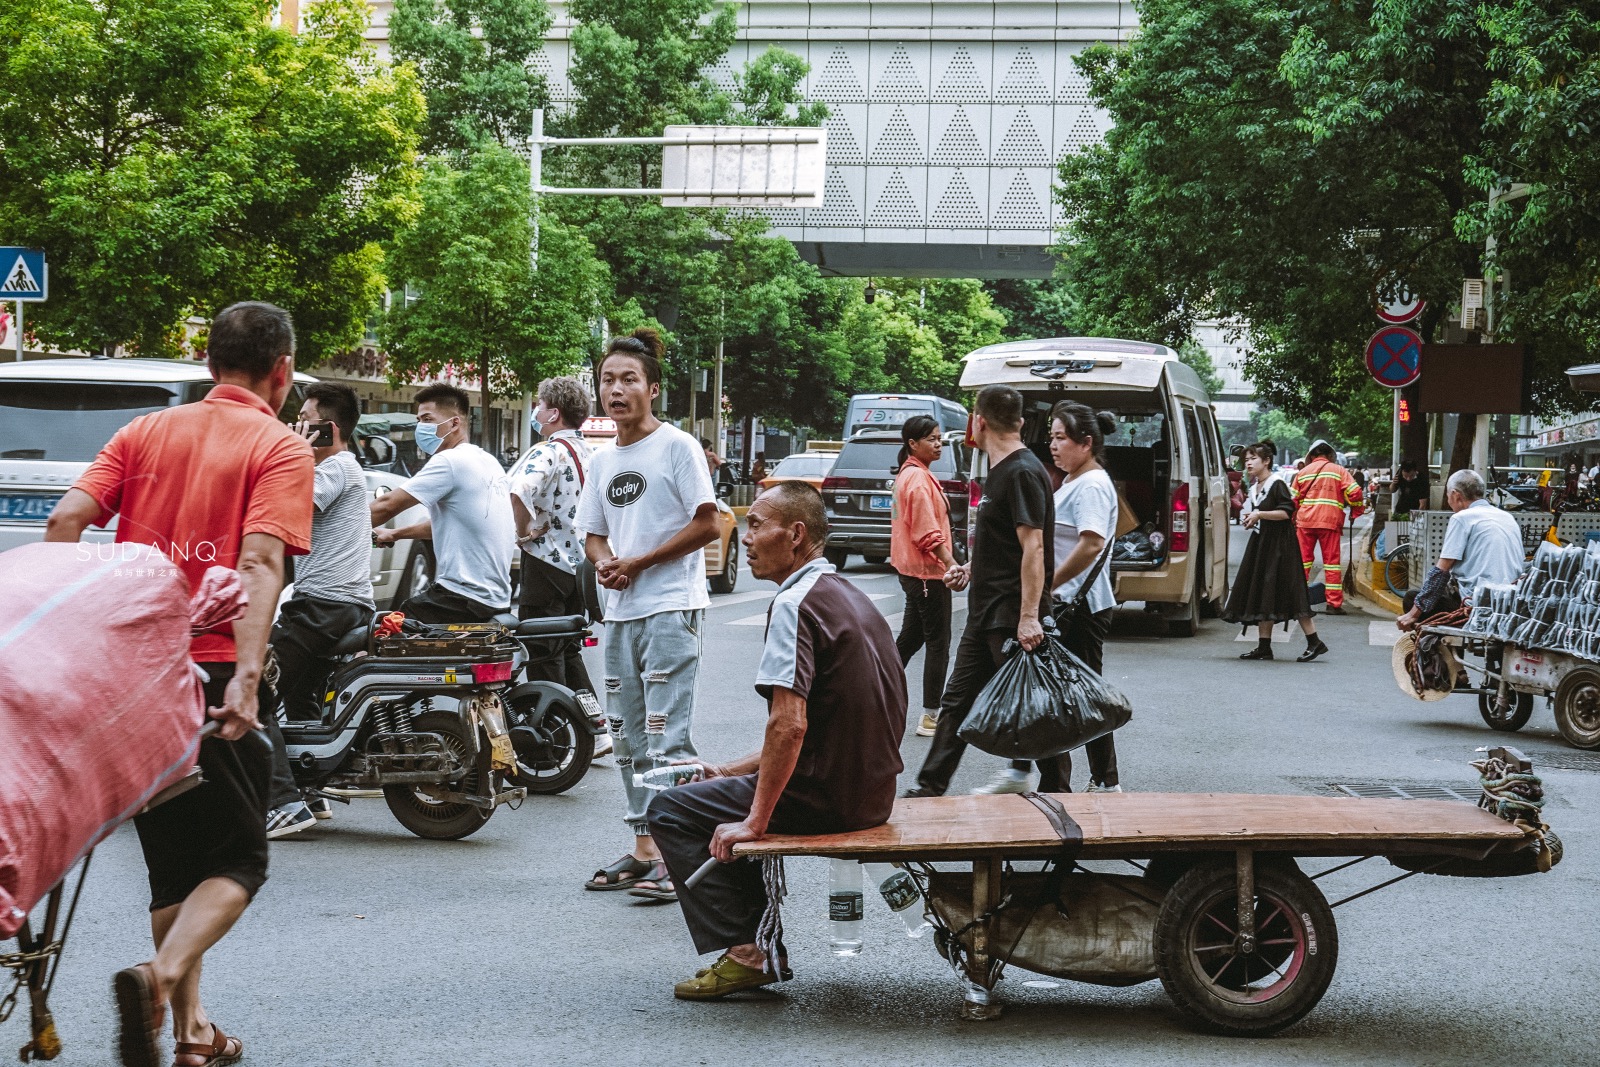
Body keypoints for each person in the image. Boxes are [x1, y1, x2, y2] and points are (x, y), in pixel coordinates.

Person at [45, 301, 314, 1067]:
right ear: (282, 371)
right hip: (216, 664)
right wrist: (248, 683)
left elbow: (66, 524)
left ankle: (194, 1033)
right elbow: (260, 564)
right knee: (240, 860)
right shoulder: (279, 445)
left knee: (174, 863)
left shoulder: (143, 433)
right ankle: (157, 977)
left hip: (141, 673)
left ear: (208, 362)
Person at [649, 482, 906, 999]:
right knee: (712, 795)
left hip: (827, 797)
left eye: (758, 524)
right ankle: (756, 943)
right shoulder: (849, 594)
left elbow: (789, 725)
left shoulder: (793, 604)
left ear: (796, 534)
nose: (745, 538)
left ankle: (748, 953)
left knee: (671, 812)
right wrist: (727, 773)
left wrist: (755, 820)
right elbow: (813, 729)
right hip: (871, 792)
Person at [577, 329, 721, 901]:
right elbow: (592, 534)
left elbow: (707, 523)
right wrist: (609, 563)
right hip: (621, 612)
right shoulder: (603, 458)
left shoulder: (677, 447)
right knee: (628, 737)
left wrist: (639, 562)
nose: (616, 389)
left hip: (671, 609)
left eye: (628, 379)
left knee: (666, 740)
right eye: (608, 380)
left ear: (652, 389)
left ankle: (679, 855)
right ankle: (645, 849)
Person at [904, 384, 1053, 798]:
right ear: (1020, 422)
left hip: (1008, 614)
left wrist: (1028, 616)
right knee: (956, 702)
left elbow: (1033, 547)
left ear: (978, 422)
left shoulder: (1021, 471)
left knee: (1029, 709)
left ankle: (1059, 790)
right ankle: (929, 788)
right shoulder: (1000, 470)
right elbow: (1006, 544)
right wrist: (970, 568)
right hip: (984, 611)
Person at [264, 382, 375, 833]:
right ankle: (309, 791)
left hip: (321, 607)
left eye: (306, 420)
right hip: (340, 606)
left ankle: (282, 803)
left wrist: (290, 450)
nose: (298, 426)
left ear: (328, 428)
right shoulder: (338, 469)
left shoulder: (337, 469)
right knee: (299, 695)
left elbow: (287, 503)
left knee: (251, 693)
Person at [370, 384, 514, 623]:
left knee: (380, 635)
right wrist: (395, 533)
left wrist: (337, 529)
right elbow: (450, 522)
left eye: (427, 419)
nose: (420, 428)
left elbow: (386, 505)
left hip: (460, 598)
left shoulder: (449, 461)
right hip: (496, 599)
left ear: (454, 423)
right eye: (418, 421)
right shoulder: (488, 462)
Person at [1042, 401, 1122, 792]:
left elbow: (1091, 543)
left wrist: (1050, 583)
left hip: (1080, 606)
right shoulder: (1076, 479)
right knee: (1075, 695)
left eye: (1061, 438)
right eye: (1051, 437)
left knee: (1085, 697)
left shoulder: (1090, 484)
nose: (1053, 446)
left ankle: (1106, 781)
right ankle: (1095, 780)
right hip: (1072, 604)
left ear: (1086, 442)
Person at [510, 376, 597, 699]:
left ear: (554, 413)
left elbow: (519, 493)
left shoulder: (548, 452)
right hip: (581, 566)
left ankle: (555, 728)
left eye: (540, 405)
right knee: (568, 648)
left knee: (543, 651)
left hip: (546, 561)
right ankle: (592, 722)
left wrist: (523, 534)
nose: (537, 411)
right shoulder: (591, 452)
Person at [1223, 440, 1328, 662]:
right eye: (1247, 459)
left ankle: (1314, 642)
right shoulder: (1255, 487)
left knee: (1293, 591)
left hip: (1281, 546)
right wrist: (1253, 519)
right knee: (1264, 591)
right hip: (1263, 544)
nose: (1248, 463)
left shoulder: (1277, 483)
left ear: (1267, 461)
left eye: (1253, 459)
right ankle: (1264, 647)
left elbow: (1285, 512)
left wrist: (1259, 515)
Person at [890, 415, 955, 739]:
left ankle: (872, 689)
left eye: (939, 438)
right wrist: (951, 564)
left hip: (916, 573)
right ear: (912, 444)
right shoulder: (916, 478)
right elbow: (926, 533)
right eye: (931, 438)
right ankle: (931, 716)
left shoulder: (914, 474)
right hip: (928, 574)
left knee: (911, 639)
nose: (938, 443)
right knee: (938, 644)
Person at [1397, 469, 1524, 629]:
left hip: (1475, 607)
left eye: (1448, 496)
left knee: (1412, 598)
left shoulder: (1462, 518)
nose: (1449, 501)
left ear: (1456, 495)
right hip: (1510, 605)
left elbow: (1441, 571)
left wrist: (1413, 614)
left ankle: (1436, 652)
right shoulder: (1507, 517)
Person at [1291, 439, 1364, 615]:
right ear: (1330, 455)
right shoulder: (1339, 471)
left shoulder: (1302, 473)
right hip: (1329, 522)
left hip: (1305, 522)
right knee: (1331, 564)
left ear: (1311, 455)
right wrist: (1356, 510)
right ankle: (1333, 604)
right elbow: (1355, 493)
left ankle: (1297, 602)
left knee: (1302, 562)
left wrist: (1294, 519)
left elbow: (1292, 499)